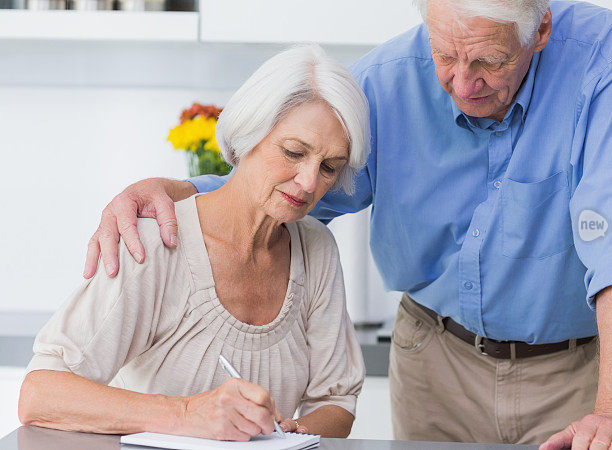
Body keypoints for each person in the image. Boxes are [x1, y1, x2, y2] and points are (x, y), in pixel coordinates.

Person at [82, 1, 612, 448]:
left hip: (570, 372)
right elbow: (300, 191)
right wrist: (178, 190)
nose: (463, 84)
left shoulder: (602, 57)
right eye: (445, 54)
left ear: (539, 30)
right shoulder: (385, 80)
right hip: (436, 362)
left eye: (490, 62)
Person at [18, 44, 368, 440]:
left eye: (328, 168)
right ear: (248, 134)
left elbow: (335, 402)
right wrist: (186, 414)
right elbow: (40, 394)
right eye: (293, 152)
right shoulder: (155, 242)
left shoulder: (317, 249)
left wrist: (294, 432)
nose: (309, 182)